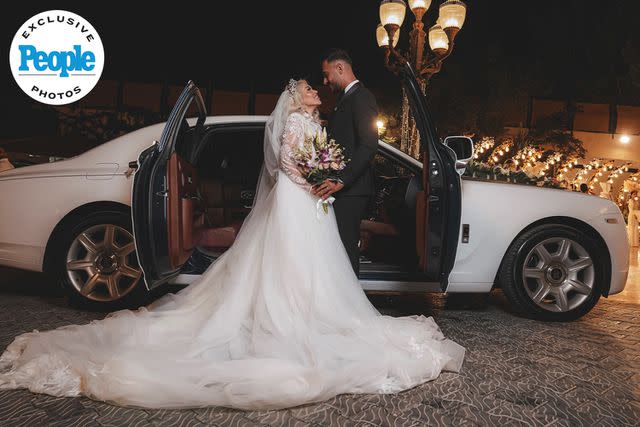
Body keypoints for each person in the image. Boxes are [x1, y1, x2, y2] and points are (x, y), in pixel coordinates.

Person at [0, 79, 464, 411]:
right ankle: (288, 318)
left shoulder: (312, 122)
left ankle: (304, 313)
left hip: (309, 202)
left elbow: (312, 158)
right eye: (308, 89)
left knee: (311, 267)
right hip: (297, 198)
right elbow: (287, 162)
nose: (315, 91)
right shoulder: (295, 125)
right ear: (295, 98)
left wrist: (326, 177)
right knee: (289, 262)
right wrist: (320, 178)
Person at [314, 49, 378, 276]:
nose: (324, 81)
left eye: (326, 74)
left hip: (351, 190)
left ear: (340, 68)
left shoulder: (362, 97)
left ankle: (350, 307)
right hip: (341, 189)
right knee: (337, 249)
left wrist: (341, 179)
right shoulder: (345, 99)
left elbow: (369, 145)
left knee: (345, 248)